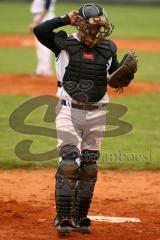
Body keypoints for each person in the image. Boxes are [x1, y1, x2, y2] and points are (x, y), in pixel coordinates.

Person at [33, 3, 137, 235]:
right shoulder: (64, 43)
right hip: (68, 109)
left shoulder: (109, 47)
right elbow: (40, 31)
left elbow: (116, 77)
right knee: (69, 163)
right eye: (94, 25)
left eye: (101, 26)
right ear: (81, 23)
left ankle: (80, 217)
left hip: (98, 111)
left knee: (89, 165)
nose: (98, 31)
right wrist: (64, 19)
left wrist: (126, 75)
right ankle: (63, 218)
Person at [29, 0, 56, 76]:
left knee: (44, 45)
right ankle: (41, 69)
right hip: (43, 16)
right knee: (40, 46)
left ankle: (45, 70)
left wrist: (35, 23)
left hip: (44, 17)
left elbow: (46, 8)